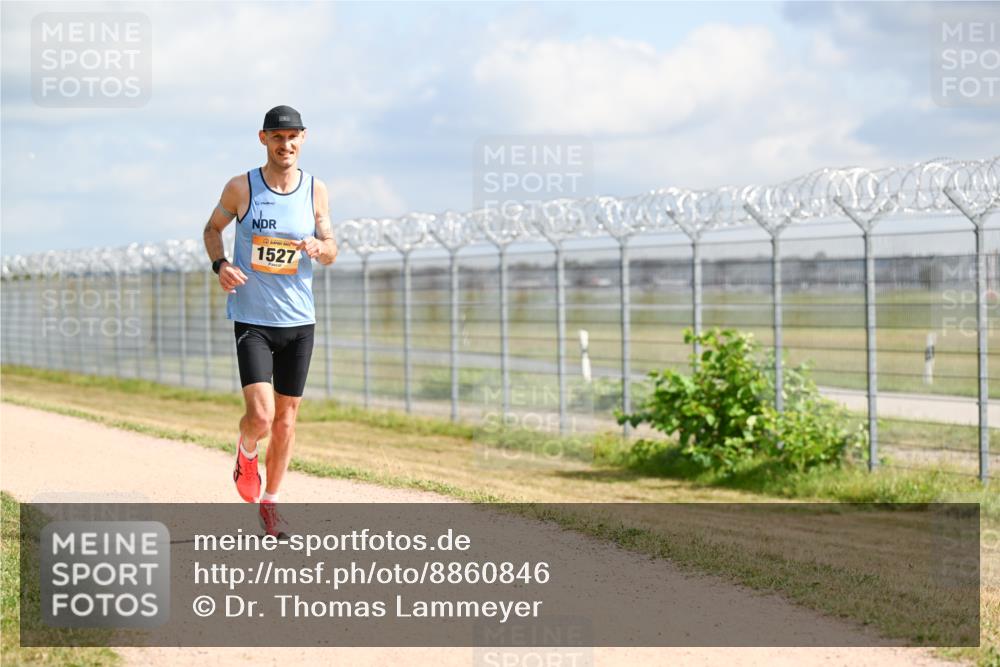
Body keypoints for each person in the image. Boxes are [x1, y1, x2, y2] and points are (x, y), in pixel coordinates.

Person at [203, 105, 337, 537]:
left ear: (304, 139)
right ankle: (245, 453)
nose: (287, 145)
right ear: (264, 139)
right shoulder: (241, 187)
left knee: (286, 421)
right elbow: (211, 228)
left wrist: (321, 248)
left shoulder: (316, 189)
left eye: (294, 137)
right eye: (278, 138)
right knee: (260, 417)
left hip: (300, 321)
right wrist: (221, 264)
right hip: (253, 319)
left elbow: (332, 246)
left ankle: (271, 503)